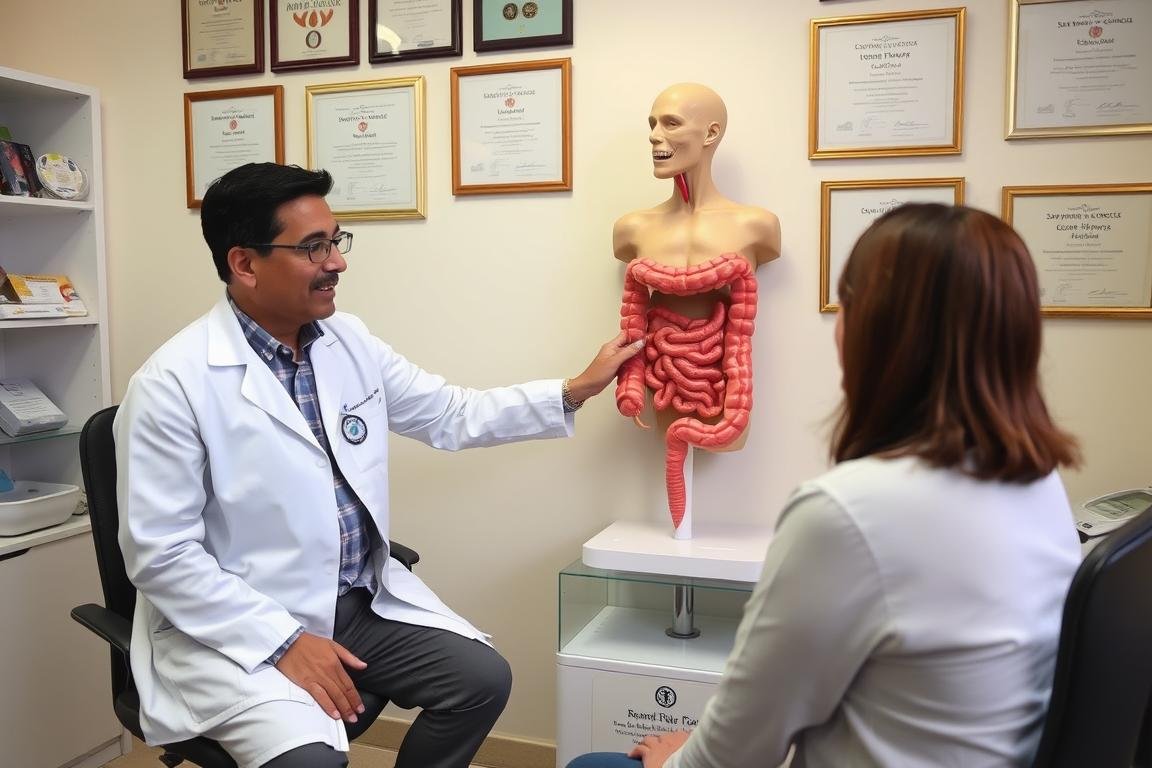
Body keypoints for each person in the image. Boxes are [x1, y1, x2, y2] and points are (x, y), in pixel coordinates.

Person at [116, 162, 642, 768]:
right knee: (311, 761)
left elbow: (451, 413)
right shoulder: (172, 384)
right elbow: (162, 555)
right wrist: (285, 641)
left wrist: (577, 388)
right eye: (313, 247)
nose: (337, 262)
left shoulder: (347, 340)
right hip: (242, 622)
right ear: (244, 263)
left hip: (354, 601)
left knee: (479, 680)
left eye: (335, 241)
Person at [569, 203, 1082, 768]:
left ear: (867, 332)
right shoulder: (1040, 485)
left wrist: (674, 754)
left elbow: (733, 756)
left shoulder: (846, 513)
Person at [611, 83, 780, 533]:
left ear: (710, 134)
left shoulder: (756, 226)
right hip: (661, 384)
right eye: (651, 123)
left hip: (722, 392)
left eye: (670, 123)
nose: (653, 135)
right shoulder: (632, 229)